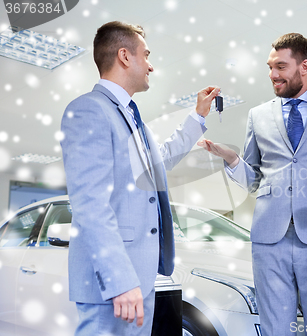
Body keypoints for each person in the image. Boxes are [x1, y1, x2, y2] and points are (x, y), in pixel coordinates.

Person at [60, 21, 219, 336]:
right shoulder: (89, 111)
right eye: (145, 55)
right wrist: (120, 279)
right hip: (115, 283)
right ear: (124, 56)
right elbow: (90, 204)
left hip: (139, 276)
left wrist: (198, 116)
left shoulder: (132, 118)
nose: (151, 64)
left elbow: (161, 160)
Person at [198, 33, 307, 336]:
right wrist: (234, 160)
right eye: (269, 67)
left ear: (304, 66)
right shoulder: (258, 115)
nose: (272, 75)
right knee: (276, 328)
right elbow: (253, 180)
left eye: (280, 67)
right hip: (268, 238)